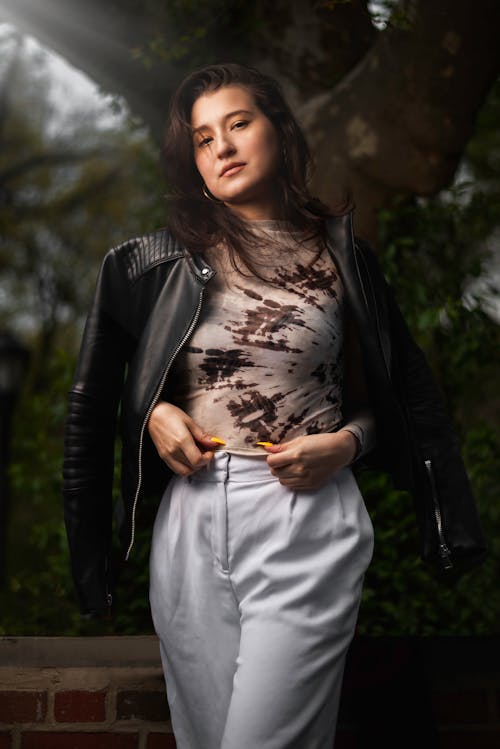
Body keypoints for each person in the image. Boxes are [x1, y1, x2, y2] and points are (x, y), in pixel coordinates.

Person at [62, 63, 485, 749]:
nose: (221, 148)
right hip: (190, 524)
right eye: (202, 139)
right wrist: (153, 418)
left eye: (238, 124)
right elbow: (93, 411)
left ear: (280, 132)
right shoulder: (150, 265)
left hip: (304, 520)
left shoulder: (344, 257)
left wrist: (346, 444)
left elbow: (401, 402)